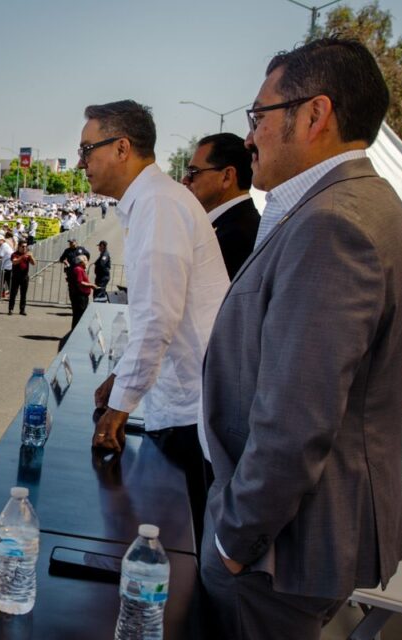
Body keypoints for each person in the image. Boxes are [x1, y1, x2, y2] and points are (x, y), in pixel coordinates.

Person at [198, 39, 402, 637]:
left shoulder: (332, 224)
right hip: (289, 541)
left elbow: (296, 419)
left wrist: (235, 537)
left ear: (314, 114)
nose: (250, 137)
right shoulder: (350, 206)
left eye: (259, 116)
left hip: (279, 551)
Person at [79, 100, 229, 557]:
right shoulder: (152, 202)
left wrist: (119, 407)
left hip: (192, 408)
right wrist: (121, 378)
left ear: (122, 147)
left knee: (178, 552)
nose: (82, 161)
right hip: (183, 399)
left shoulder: (159, 205)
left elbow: (156, 318)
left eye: (88, 149)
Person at [182, 133, 260, 280]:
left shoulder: (236, 236)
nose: (185, 180)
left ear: (227, 177)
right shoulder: (236, 225)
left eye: (193, 172)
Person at [7, 240, 35, 315]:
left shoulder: (27, 254)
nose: (24, 248)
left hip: (24, 277)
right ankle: (11, 309)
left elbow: (33, 263)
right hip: (16, 277)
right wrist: (22, 257)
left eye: (26, 246)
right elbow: (14, 262)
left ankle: (22, 310)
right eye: (23, 246)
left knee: (23, 294)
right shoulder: (14, 254)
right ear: (19, 246)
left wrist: (31, 257)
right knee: (13, 294)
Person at [67, 255, 94, 328]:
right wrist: (91, 285)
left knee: (79, 315)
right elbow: (80, 282)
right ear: (80, 262)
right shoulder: (78, 269)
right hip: (79, 296)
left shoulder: (80, 269)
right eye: (85, 261)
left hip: (81, 296)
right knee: (78, 315)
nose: (86, 262)